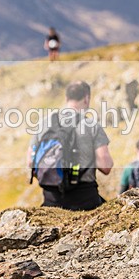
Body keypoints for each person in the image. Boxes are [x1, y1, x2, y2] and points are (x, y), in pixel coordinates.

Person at [31, 80, 114, 210]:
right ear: (87, 98)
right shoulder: (91, 125)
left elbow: (31, 163)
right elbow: (105, 167)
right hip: (85, 199)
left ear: (66, 98)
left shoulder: (44, 124)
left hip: (51, 200)